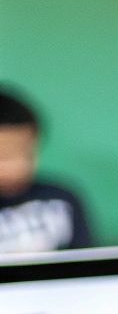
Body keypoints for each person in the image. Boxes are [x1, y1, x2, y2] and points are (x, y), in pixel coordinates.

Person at [0, 88, 93, 254]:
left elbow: (87, 260)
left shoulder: (61, 199)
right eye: (4, 156)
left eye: (27, 153)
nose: (18, 165)